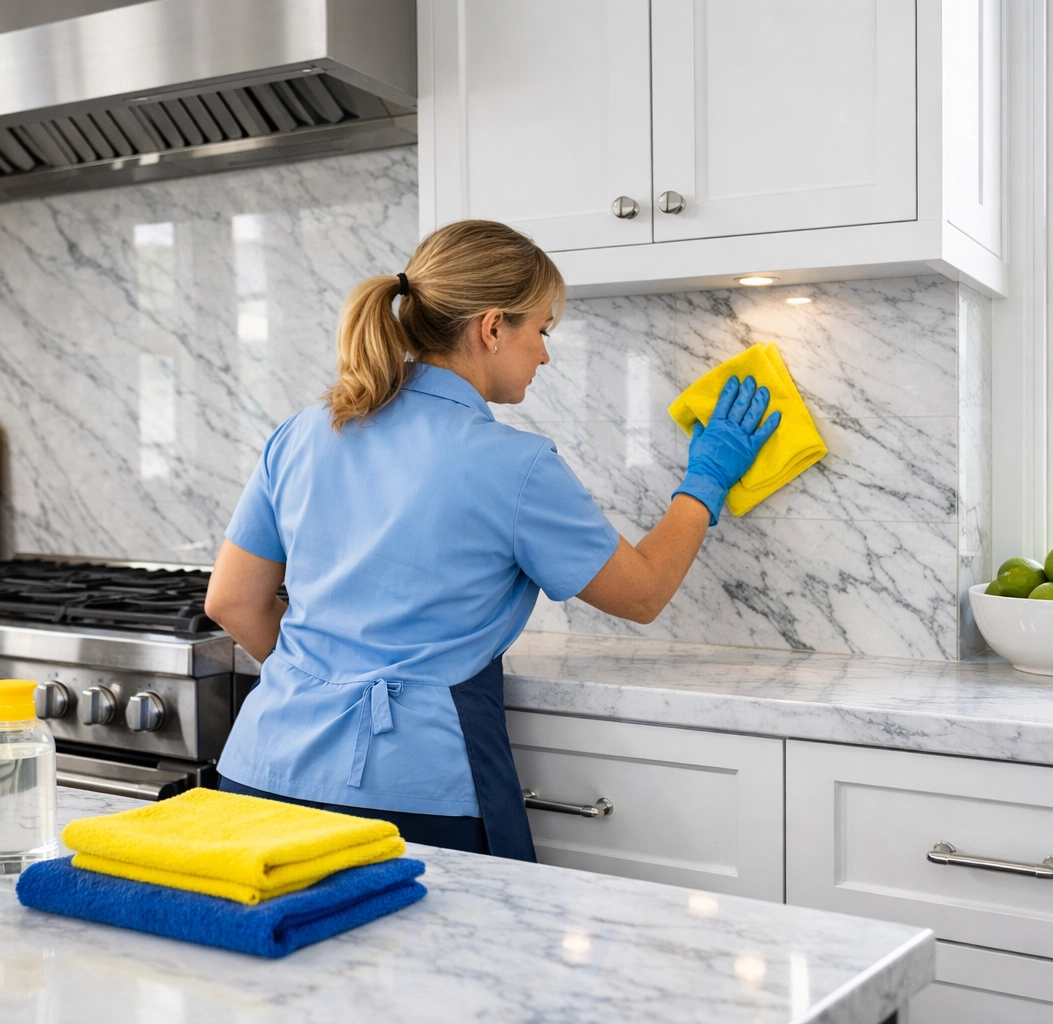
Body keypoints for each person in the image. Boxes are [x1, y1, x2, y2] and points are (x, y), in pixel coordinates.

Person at [203, 220, 780, 860]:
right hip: (411, 797)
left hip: (260, 772)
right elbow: (641, 594)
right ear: (492, 327)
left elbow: (232, 603)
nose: (544, 353)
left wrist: (327, 686)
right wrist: (706, 480)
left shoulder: (303, 432)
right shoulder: (514, 463)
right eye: (541, 329)